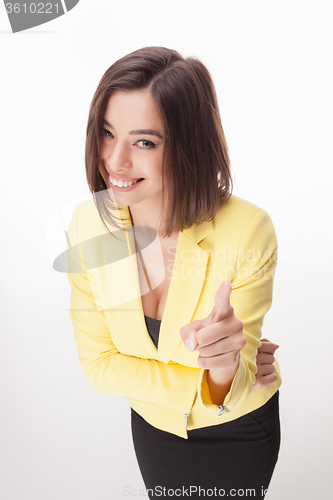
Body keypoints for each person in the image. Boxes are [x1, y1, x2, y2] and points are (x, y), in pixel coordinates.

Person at [67, 46, 281, 499]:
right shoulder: (90, 224)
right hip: (153, 425)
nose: (116, 160)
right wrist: (202, 379)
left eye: (145, 142)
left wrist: (223, 369)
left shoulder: (246, 229)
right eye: (107, 133)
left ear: (187, 145)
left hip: (236, 433)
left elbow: (234, 390)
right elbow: (99, 366)